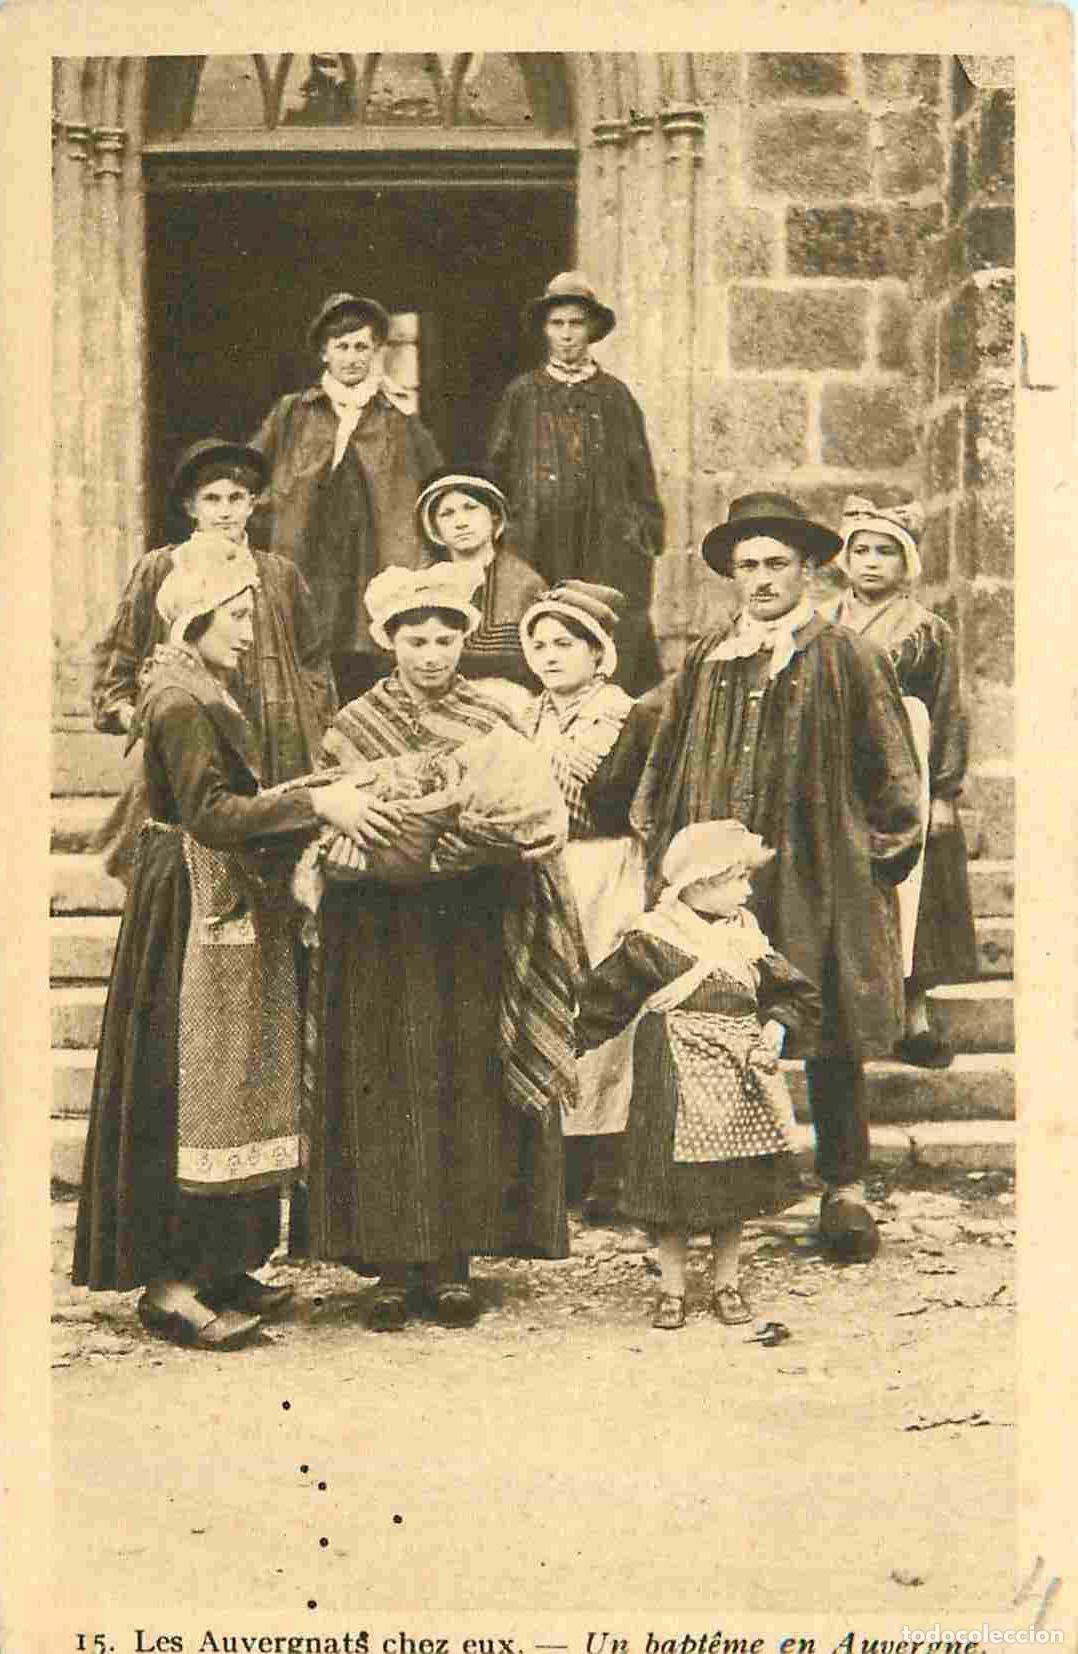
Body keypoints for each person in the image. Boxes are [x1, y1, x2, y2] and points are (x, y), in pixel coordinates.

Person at [73, 559, 377, 1349]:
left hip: (219, 898)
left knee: (232, 1078)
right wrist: (315, 801)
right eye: (235, 618)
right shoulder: (178, 700)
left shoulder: (199, 687)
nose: (250, 630)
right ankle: (170, 1286)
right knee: (185, 1081)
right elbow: (209, 813)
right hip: (191, 903)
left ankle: (218, 1264)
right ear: (191, 622)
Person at [627, 492, 923, 1262]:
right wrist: (668, 859)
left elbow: (898, 779)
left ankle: (844, 1186)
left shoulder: (847, 655)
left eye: (775, 564)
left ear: (807, 569)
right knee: (714, 1023)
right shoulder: (707, 659)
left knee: (825, 1027)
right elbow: (663, 770)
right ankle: (724, 1189)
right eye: (746, 565)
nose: (759, 579)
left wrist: (868, 867)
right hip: (720, 889)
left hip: (818, 879)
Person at [304, 565, 582, 1331]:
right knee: (385, 1079)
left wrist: (483, 839)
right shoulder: (351, 723)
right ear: (387, 640)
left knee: (463, 1077)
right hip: (379, 930)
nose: (431, 653)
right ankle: (391, 1265)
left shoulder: (496, 721)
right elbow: (328, 824)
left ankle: (456, 1260)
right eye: (415, 638)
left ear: (466, 639)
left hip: (467, 925)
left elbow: (531, 821)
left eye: (446, 637)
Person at [576, 821, 821, 1329]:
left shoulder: (746, 938)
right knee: (672, 1183)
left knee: (731, 1180)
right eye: (739, 880)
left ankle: (726, 1282)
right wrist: (568, 1046)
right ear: (702, 882)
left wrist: (776, 1028)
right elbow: (605, 999)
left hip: (736, 1076)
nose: (749, 890)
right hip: (671, 1072)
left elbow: (790, 993)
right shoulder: (654, 938)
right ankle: (672, 1288)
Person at [91, 438, 337, 881]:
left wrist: (314, 728)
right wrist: (141, 715)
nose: (224, 511)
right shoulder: (160, 569)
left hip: (277, 742)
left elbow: (314, 665)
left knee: (275, 869)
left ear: (253, 504)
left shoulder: (280, 575)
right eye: (212, 499)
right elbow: (119, 660)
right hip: (198, 742)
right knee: (195, 867)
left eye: (236, 499)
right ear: (191, 507)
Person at [828, 494, 978, 1068]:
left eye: (885, 552)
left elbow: (947, 709)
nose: (870, 562)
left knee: (916, 886)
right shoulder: (825, 623)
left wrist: (941, 790)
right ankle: (844, 1015)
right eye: (860, 550)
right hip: (840, 766)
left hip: (908, 762)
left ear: (906, 562)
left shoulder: (928, 629)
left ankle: (914, 1016)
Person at [518, 579, 643, 1221]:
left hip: (606, 867)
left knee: (605, 1002)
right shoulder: (524, 716)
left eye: (565, 643)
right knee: (548, 1002)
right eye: (537, 644)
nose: (550, 655)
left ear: (598, 653)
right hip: (539, 869)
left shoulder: (625, 716)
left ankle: (608, 1168)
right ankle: (553, 1163)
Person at [250, 291, 442, 704]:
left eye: (362, 347)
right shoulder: (294, 412)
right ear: (324, 352)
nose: (352, 357)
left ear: (375, 352)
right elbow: (251, 473)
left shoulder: (396, 416)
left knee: (368, 643)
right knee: (309, 641)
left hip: (370, 550)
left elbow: (436, 482)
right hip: (311, 549)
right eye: (342, 347)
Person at [487, 271, 665, 697]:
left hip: (604, 539)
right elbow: (497, 469)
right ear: (545, 330)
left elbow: (640, 472)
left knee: (605, 634)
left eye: (576, 324)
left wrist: (639, 532)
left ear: (591, 330)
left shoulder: (614, 395)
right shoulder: (523, 394)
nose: (567, 335)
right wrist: (507, 531)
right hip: (538, 537)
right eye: (557, 324)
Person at [415, 466, 545, 715]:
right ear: (435, 527)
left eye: (471, 508)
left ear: (494, 517)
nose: (461, 522)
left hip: (509, 702)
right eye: (447, 514)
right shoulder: (424, 583)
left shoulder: (525, 583)